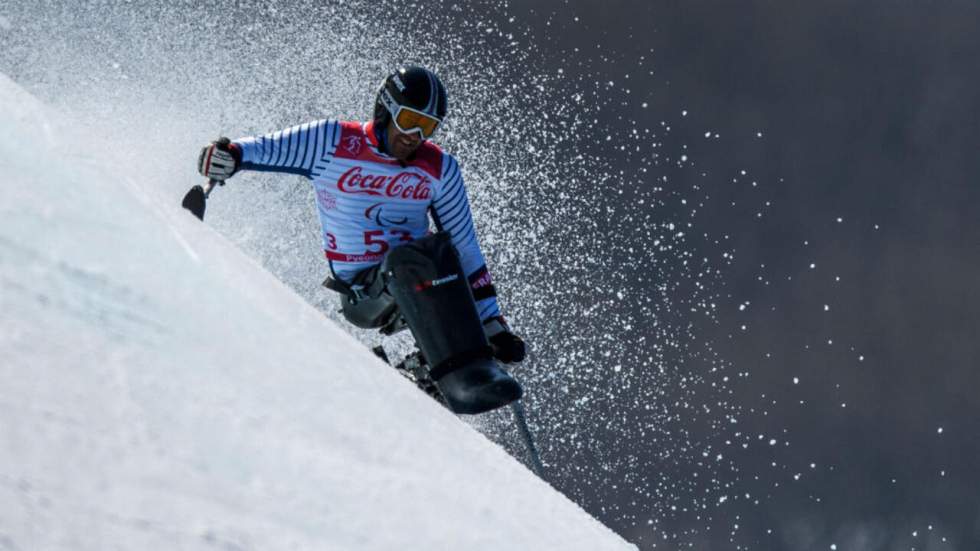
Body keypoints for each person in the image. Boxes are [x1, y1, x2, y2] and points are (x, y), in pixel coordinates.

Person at [197, 66, 525, 414]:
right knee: (414, 258)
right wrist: (228, 155)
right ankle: (459, 378)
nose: (415, 135)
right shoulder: (332, 141)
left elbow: (466, 249)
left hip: (424, 278)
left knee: (441, 254)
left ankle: (436, 376)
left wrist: (492, 323)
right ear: (386, 110)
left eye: (427, 127)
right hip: (364, 294)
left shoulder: (440, 168)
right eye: (410, 120)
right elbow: (262, 149)